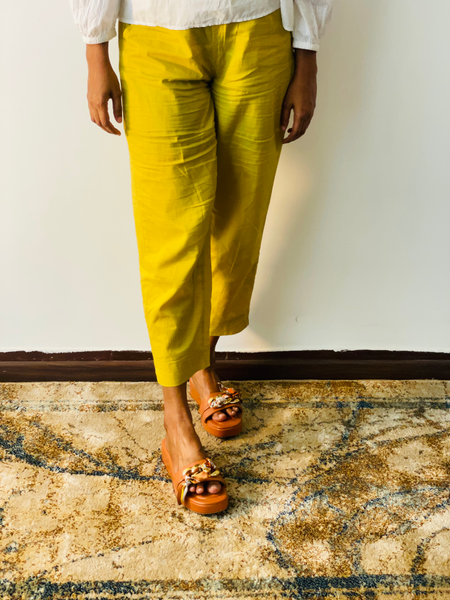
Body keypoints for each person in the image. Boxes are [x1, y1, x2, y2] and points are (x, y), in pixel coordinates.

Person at [69, 0, 333, 514]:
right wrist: (95, 49)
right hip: (155, 33)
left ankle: (201, 365)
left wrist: (308, 55)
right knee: (170, 235)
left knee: (239, 222)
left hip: (258, 32)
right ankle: (176, 425)